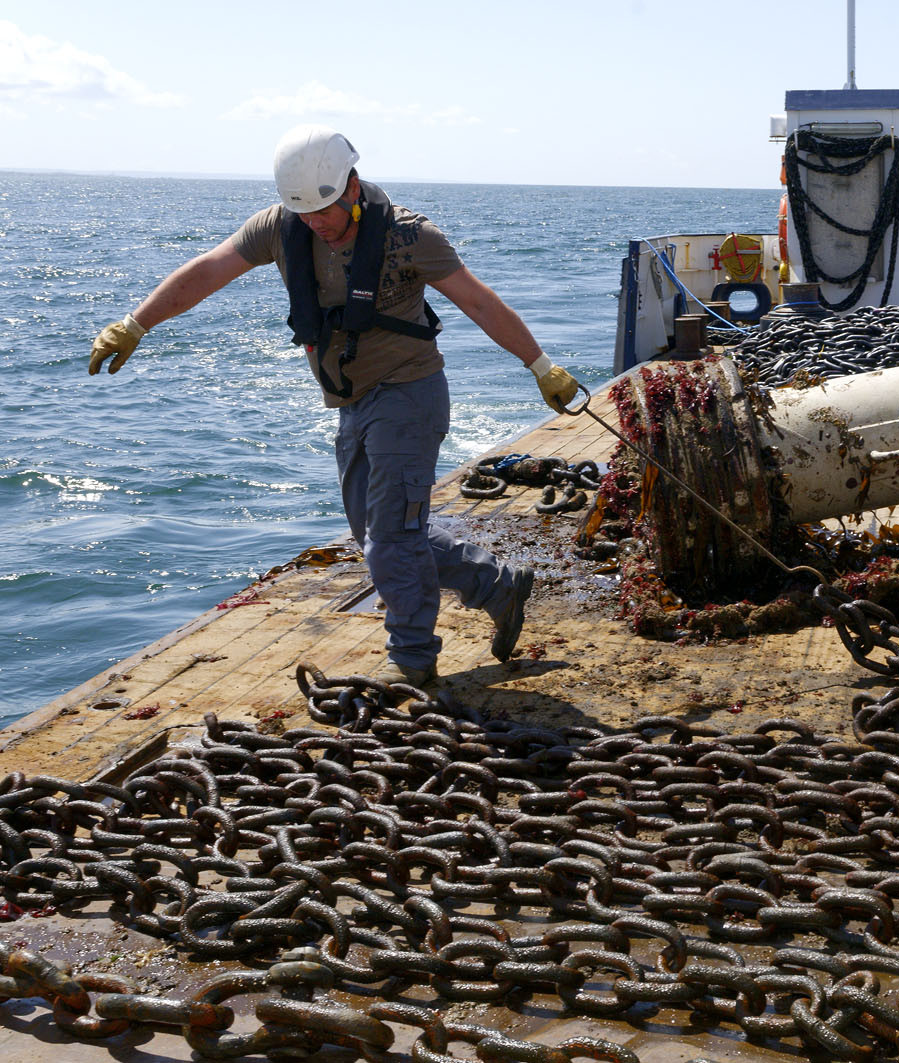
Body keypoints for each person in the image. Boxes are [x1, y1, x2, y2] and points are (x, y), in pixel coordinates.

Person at [89, 125, 581, 687]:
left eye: (325, 209)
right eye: (305, 213)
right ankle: (496, 585)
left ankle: (413, 658)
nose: (316, 223)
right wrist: (135, 324)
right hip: (353, 402)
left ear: (351, 184)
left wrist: (541, 367)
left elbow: (477, 301)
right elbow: (208, 271)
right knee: (377, 532)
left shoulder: (409, 235)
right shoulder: (280, 227)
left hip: (411, 393)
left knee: (392, 537)